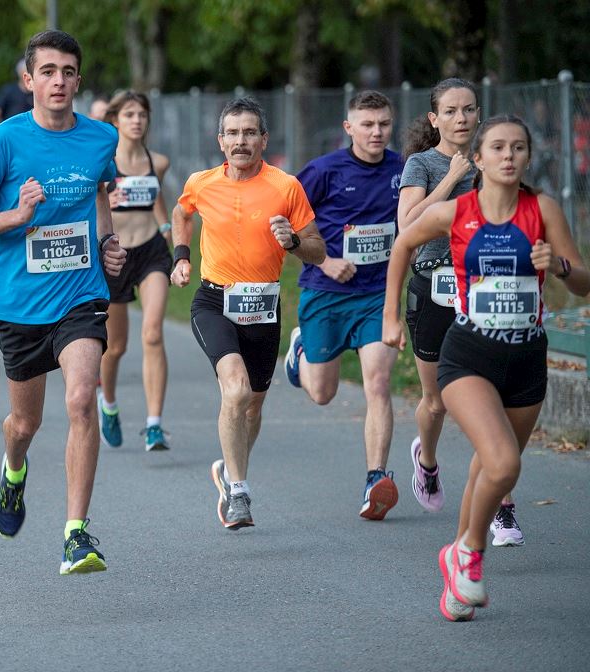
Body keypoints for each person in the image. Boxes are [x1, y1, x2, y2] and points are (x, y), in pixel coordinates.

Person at [382, 115, 589, 621]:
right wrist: (391, 315)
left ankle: (457, 578)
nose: (509, 156)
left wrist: (558, 268)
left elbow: (584, 281)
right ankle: (468, 553)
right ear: (478, 158)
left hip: (526, 359)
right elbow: (404, 242)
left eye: (519, 147)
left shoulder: (542, 210)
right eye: (497, 147)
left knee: (488, 468)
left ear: (527, 158)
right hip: (470, 353)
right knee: (503, 463)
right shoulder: (457, 212)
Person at [0, 30, 127, 574]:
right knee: (23, 425)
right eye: (47, 71)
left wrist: (105, 244)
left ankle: (76, 534)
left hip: (81, 294)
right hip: (20, 304)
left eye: (68, 71)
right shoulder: (2, 141)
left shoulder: (101, 139)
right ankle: (13, 473)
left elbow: (100, 194)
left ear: (79, 79)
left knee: (81, 400)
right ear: (29, 80)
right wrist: (16, 216)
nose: (59, 80)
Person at [171, 97, 325, 530]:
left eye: (249, 132)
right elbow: (182, 213)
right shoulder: (201, 183)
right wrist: (181, 257)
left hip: (263, 306)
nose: (241, 141)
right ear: (220, 141)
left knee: (253, 406)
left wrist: (293, 241)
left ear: (263, 139)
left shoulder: (285, 186)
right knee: (235, 390)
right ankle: (239, 493)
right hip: (214, 301)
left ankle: (228, 470)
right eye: (233, 133)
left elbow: (318, 251)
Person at [283, 91, 404, 519]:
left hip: (375, 296)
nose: (377, 132)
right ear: (348, 128)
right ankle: (300, 351)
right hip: (326, 292)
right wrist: (326, 260)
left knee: (377, 383)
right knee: (321, 393)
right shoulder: (323, 172)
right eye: (367, 124)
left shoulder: (402, 170)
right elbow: (287, 225)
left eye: (384, 124)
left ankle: (376, 478)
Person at [397, 79, 506, 528]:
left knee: (492, 398)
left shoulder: (494, 161)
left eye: (468, 110)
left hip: (482, 288)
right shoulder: (421, 164)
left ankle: (503, 507)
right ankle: (427, 459)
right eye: (451, 111)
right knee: (437, 401)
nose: (461, 118)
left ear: (478, 114)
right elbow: (407, 224)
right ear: (434, 118)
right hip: (432, 288)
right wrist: (454, 178)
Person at [98, 91, 173, 451]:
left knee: (153, 333)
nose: (137, 120)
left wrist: (169, 232)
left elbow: (159, 201)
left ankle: (154, 424)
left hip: (152, 252)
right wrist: (104, 202)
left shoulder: (156, 161)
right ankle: (108, 404)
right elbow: (86, 206)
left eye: (142, 114)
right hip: (115, 255)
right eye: (129, 114)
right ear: (115, 120)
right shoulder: (102, 162)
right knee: (115, 348)